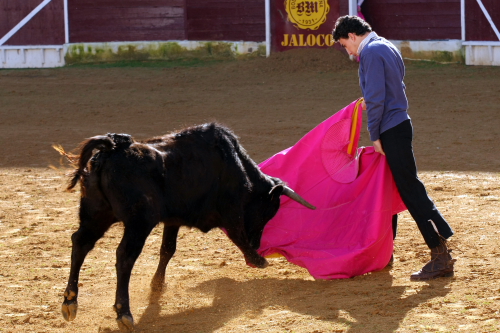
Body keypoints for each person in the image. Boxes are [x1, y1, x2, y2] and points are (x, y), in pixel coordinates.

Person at [331, 15, 456, 281]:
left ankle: (441, 254)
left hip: (390, 129)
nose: (347, 50)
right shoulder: (386, 45)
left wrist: (374, 133)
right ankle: (384, 253)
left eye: (344, 44)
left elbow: (378, 98)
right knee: (388, 189)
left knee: (410, 190)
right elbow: (390, 88)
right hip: (398, 123)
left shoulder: (372, 53)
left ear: (352, 35)